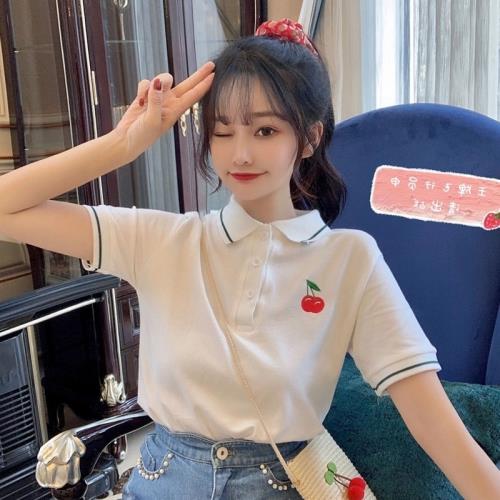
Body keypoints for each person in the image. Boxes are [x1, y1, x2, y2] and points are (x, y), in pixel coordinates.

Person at [0, 17, 499, 500]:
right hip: (162, 479)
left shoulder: (349, 259)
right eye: (223, 131)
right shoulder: (161, 240)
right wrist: (121, 145)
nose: (240, 154)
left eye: (264, 131)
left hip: (282, 483)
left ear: (309, 138)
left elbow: (433, 423)